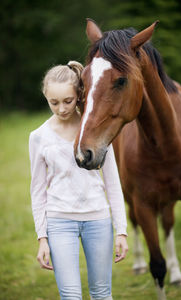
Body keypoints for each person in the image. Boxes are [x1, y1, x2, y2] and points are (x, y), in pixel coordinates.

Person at [29, 60, 128, 300]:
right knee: (70, 295)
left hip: (98, 220)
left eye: (68, 101)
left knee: (102, 293)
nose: (62, 109)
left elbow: (113, 183)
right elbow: (38, 190)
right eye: (54, 102)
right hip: (59, 222)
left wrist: (121, 231)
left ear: (79, 95)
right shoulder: (38, 137)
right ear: (46, 97)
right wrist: (42, 237)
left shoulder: (97, 132)